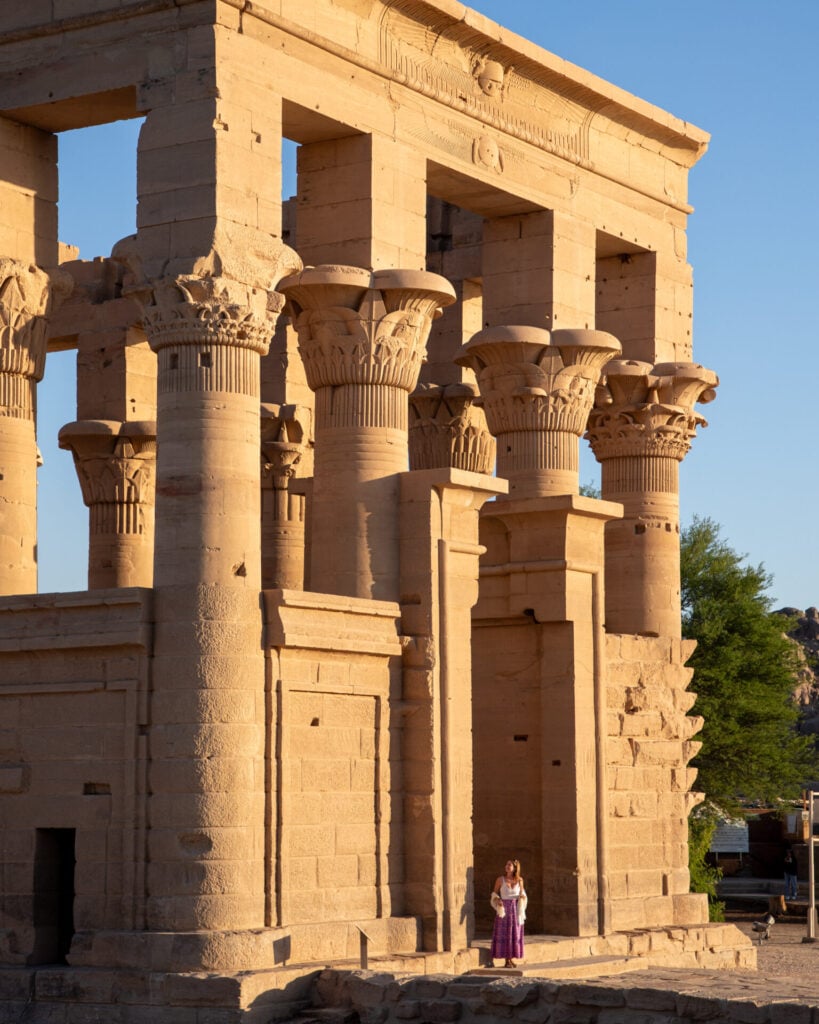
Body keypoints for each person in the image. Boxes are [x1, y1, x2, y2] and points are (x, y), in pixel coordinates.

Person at [490, 859, 527, 968]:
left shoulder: (520, 880)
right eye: (506, 864)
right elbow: (494, 894)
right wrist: (498, 900)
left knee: (514, 933)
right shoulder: (500, 880)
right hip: (504, 910)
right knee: (505, 933)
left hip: (515, 909)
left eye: (510, 865)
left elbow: (523, 894)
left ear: (515, 867)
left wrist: (522, 898)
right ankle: (507, 960)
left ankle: (511, 958)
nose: (507, 866)